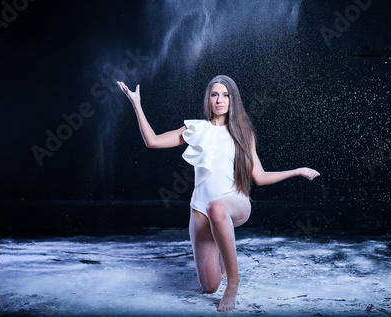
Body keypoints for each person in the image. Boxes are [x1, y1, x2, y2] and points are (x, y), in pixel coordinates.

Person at [117, 75, 320, 312]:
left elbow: (260, 178)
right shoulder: (195, 128)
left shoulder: (244, 134)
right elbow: (152, 141)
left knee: (218, 207)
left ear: (233, 100)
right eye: (215, 94)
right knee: (210, 287)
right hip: (200, 210)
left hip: (236, 202)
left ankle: (233, 282)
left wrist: (297, 171)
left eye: (225, 95)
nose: (220, 99)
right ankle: (221, 255)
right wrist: (137, 105)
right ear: (208, 99)